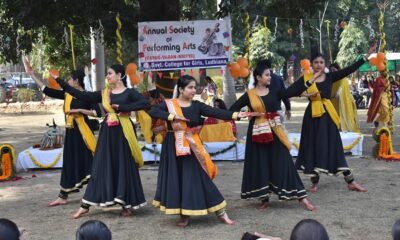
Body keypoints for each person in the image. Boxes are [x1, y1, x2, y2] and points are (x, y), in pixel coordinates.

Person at [148, 75, 247, 227]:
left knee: (200, 178)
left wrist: (235, 115)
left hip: (191, 147)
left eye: (195, 87)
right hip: (172, 147)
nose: (194, 90)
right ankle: (184, 215)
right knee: (179, 180)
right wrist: (171, 116)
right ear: (181, 89)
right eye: (190, 87)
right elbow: (153, 111)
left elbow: (217, 112)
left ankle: (221, 212)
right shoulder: (169, 105)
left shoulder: (197, 106)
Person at [54, 64, 149, 218]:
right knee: (100, 165)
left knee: (124, 165)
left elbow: (145, 103)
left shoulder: (129, 92)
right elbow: (83, 96)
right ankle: (85, 206)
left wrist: (123, 107)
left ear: (119, 75)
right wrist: (60, 81)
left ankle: (126, 203)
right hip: (107, 134)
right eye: (107, 74)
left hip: (123, 133)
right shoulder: (105, 93)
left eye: (110, 73)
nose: (107, 76)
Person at [229, 60, 316, 211]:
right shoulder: (249, 95)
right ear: (258, 77)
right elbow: (233, 109)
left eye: (270, 75)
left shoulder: (275, 91)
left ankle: (303, 198)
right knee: (261, 163)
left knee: (285, 162)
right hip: (257, 134)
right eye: (267, 75)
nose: (270, 77)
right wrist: (249, 113)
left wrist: (308, 81)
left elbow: (291, 91)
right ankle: (264, 198)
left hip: (275, 131)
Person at [294, 46, 376, 193]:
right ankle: (314, 183)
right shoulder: (306, 78)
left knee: (335, 146)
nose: (319, 65)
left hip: (328, 116)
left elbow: (349, 69)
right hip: (311, 117)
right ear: (312, 64)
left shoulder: (330, 77)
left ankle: (351, 181)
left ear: (324, 64)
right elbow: (293, 91)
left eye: (321, 62)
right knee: (313, 147)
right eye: (316, 62)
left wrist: (365, 57)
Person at [23, 58, 100, 207]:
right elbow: (47, 90)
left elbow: (97, 113)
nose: (68, 81)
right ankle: (63, 196)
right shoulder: (68, 94)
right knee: (70, 163)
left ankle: (99, 191)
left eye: (70, 79)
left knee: (89, 162)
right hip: (71, 133)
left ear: (77, 81)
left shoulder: (88, 96)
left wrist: (80, 110)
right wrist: (32, 75)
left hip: (83, 133)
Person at [329, 63, 360, 132]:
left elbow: (343, 88)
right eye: (331, 70)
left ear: (338, 69)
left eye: (334, 69)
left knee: (342, 115)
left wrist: (339, 92)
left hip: (343, 100)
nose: (332, 71)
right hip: (333, 101)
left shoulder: (343, 78)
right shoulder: (330, 79)